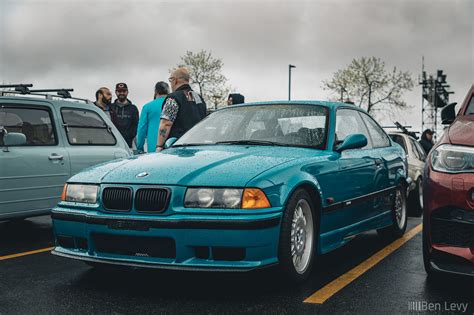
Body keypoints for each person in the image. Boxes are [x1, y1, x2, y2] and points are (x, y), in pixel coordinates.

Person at [156, 67, 207, 151]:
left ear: (175, 80)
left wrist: (159, 146)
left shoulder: (173, 98)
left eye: (170, 80)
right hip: (198, 147)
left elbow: (166, 123)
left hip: (178, 149)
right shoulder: (200, 98)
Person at [136, 82, 170, 153]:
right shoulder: (173, 105)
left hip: (153, 150)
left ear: (156, 92)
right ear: (168, 91)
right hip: (171, 148)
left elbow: (141, 130)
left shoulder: (147, 107)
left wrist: (140, 148)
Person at [111, 82, 139, 148]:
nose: (121, 93)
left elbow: (136, 125)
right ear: (115, 92)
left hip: (128, 144)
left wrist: (129, 136)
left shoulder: (133, 108)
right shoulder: (111, 107)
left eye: (124, 91)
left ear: (127, 92)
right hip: (113, 143)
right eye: (119, 91)